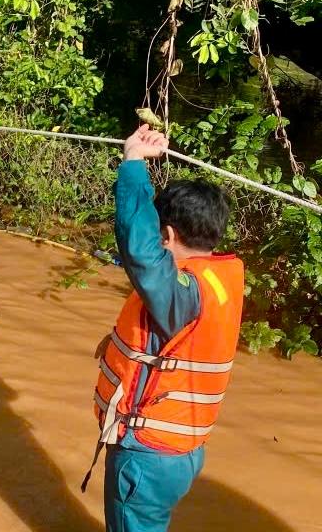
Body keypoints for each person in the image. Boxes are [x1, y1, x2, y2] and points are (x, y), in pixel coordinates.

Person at [85, 124, 244, 532]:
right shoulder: (214, 281)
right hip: (182, 453)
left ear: (168, 235)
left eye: (160, 235)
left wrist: (133, 163)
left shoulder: (180, 292)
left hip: (148, 455)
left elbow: (138, 250)